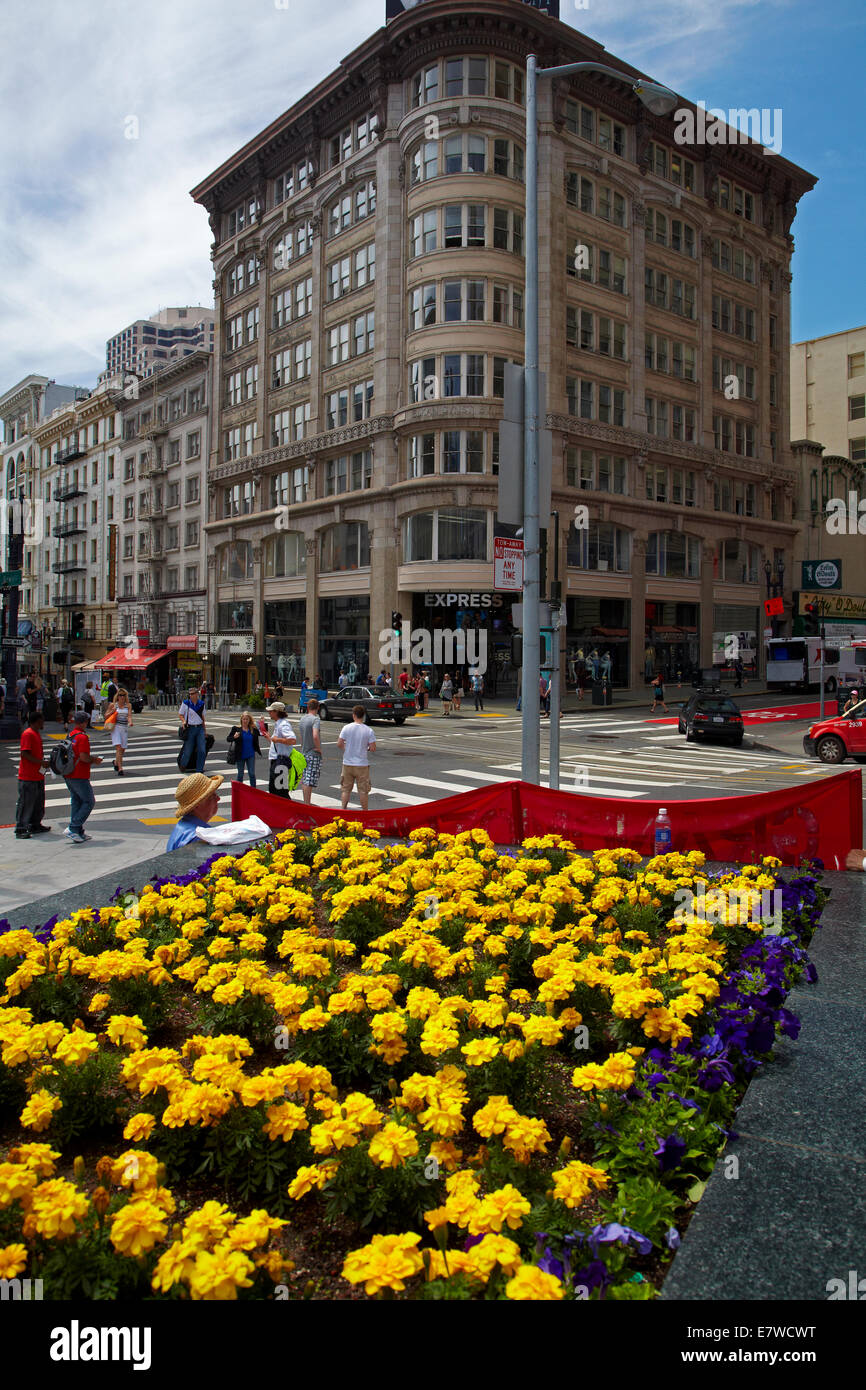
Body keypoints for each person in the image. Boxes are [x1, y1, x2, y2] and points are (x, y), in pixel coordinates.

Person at [63, 711, 103, 843]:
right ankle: (73, 828)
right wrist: (95, 760)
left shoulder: (70, 735)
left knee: (77, 801)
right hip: (79, 774)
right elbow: (84, 757)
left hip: (68, 773)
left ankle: (78, 831)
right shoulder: (82, 737)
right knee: (89, 801)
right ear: (84, 722)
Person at [15, 711, 52, 839]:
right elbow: (25, 753)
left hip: (37, 775)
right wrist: (41, 762)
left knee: (38, 802)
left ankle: (35, 824)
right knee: (26, 803)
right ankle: (21, 827)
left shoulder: (35, 733)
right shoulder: (28, 734)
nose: (43, 723)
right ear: (37, 721)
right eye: (42, 721)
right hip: (28, 775)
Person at [167, 773, 224, 850]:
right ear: (197, 805)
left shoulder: (184, 825)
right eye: (212, 796)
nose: (218, 798)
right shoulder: (199, 837)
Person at [338, 704, 376, 811]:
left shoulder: (346, 728)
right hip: (362, 764)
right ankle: (365, 812)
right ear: (363, 716)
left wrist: (347, 748)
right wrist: (366, 748)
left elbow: (339, 743)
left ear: (353, 715)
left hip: (347, 762)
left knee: (345, 789)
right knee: (363, 790)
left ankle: (343, 809)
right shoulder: (368, 730)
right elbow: (373, 747)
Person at [261, 700, 297, 797]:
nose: (269, 713)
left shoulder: (283, 724)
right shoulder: (279, 723)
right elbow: (278, 742)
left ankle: (287, 811)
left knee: (280, 791)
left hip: (280, 762)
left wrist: (277, 740)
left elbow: (292, 740)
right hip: (277, 761)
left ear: (276, 712)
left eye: (271, 711)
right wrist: (270, 738)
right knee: (274, 790)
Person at [299, 696, 323, 804]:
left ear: (308, 707)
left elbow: (301, 736)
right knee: (309, 779)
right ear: (317, 708)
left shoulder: (303, 719)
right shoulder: (315, 719)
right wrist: (319, 748)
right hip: (313, 752)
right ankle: (307, 803)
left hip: (304, 751)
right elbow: (315, 735)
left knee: (305, 778)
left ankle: (306, 801)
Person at [104, 687, 133, 775]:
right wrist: (112, 712)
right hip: (116, 727)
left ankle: (116, 762)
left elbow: (129, 716)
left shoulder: (128, 705)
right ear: (117, 696)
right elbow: (106, 716)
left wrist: (130, 722)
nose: (122, 697)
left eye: (124, 695)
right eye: (120, 695)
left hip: (124, 728)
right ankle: (120, 768)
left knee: (123, 749)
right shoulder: (113, 705)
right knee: (119, 748)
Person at [178, 684, 208, 773]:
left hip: (199, 728)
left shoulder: (201, 704)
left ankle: (199, 769)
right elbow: (180, 714)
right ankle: (183, 764)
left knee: (202, 750)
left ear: (197, 694)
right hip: (190, 728)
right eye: (190, 694)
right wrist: (183, 721)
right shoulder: (186, 703)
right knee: (188, 750)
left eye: (193, 694)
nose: (191, 695)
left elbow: (203, 718)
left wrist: (205, 730)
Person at [228, 711, 261, 786]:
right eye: (244, 719)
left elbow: (261, 733)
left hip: (250, 754)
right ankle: (239, 791)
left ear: (249, 720)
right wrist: (234, 737)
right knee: (240, 774)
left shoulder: (253, 729)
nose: (245, 721)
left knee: (252, 774)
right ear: (241, 720)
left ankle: (253, 791)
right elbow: (228, 739)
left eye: (247, 719)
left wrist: (261, 722)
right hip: (240, 755)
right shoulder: (236, 729)